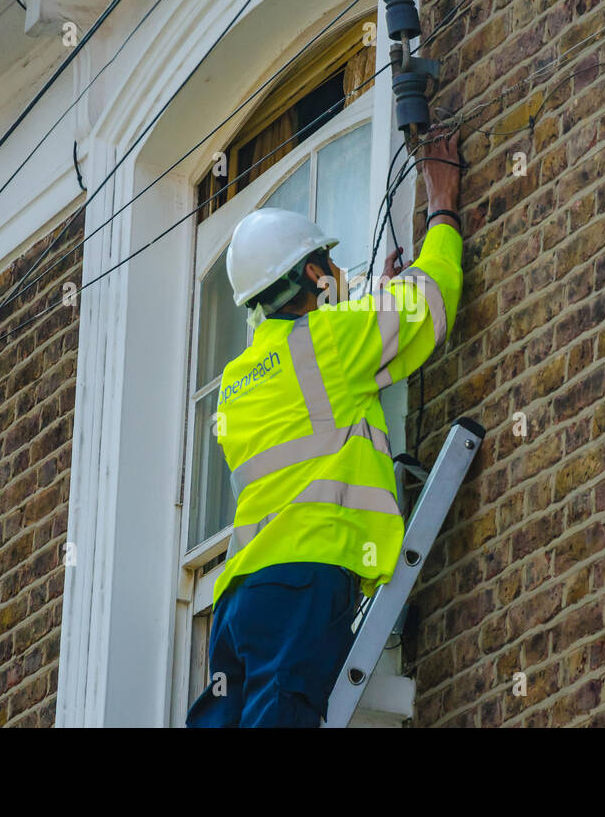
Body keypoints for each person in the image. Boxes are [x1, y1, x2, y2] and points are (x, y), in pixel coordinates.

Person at [185, 128, 464, 727]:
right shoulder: (333, 344)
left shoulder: (236, 379)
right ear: (312, 275)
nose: (337, 270)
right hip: (304, 580)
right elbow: (432, 302)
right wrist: (442, 209)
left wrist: (370, 298)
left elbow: (311, 381)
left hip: (240, 600)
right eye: (328, 263)